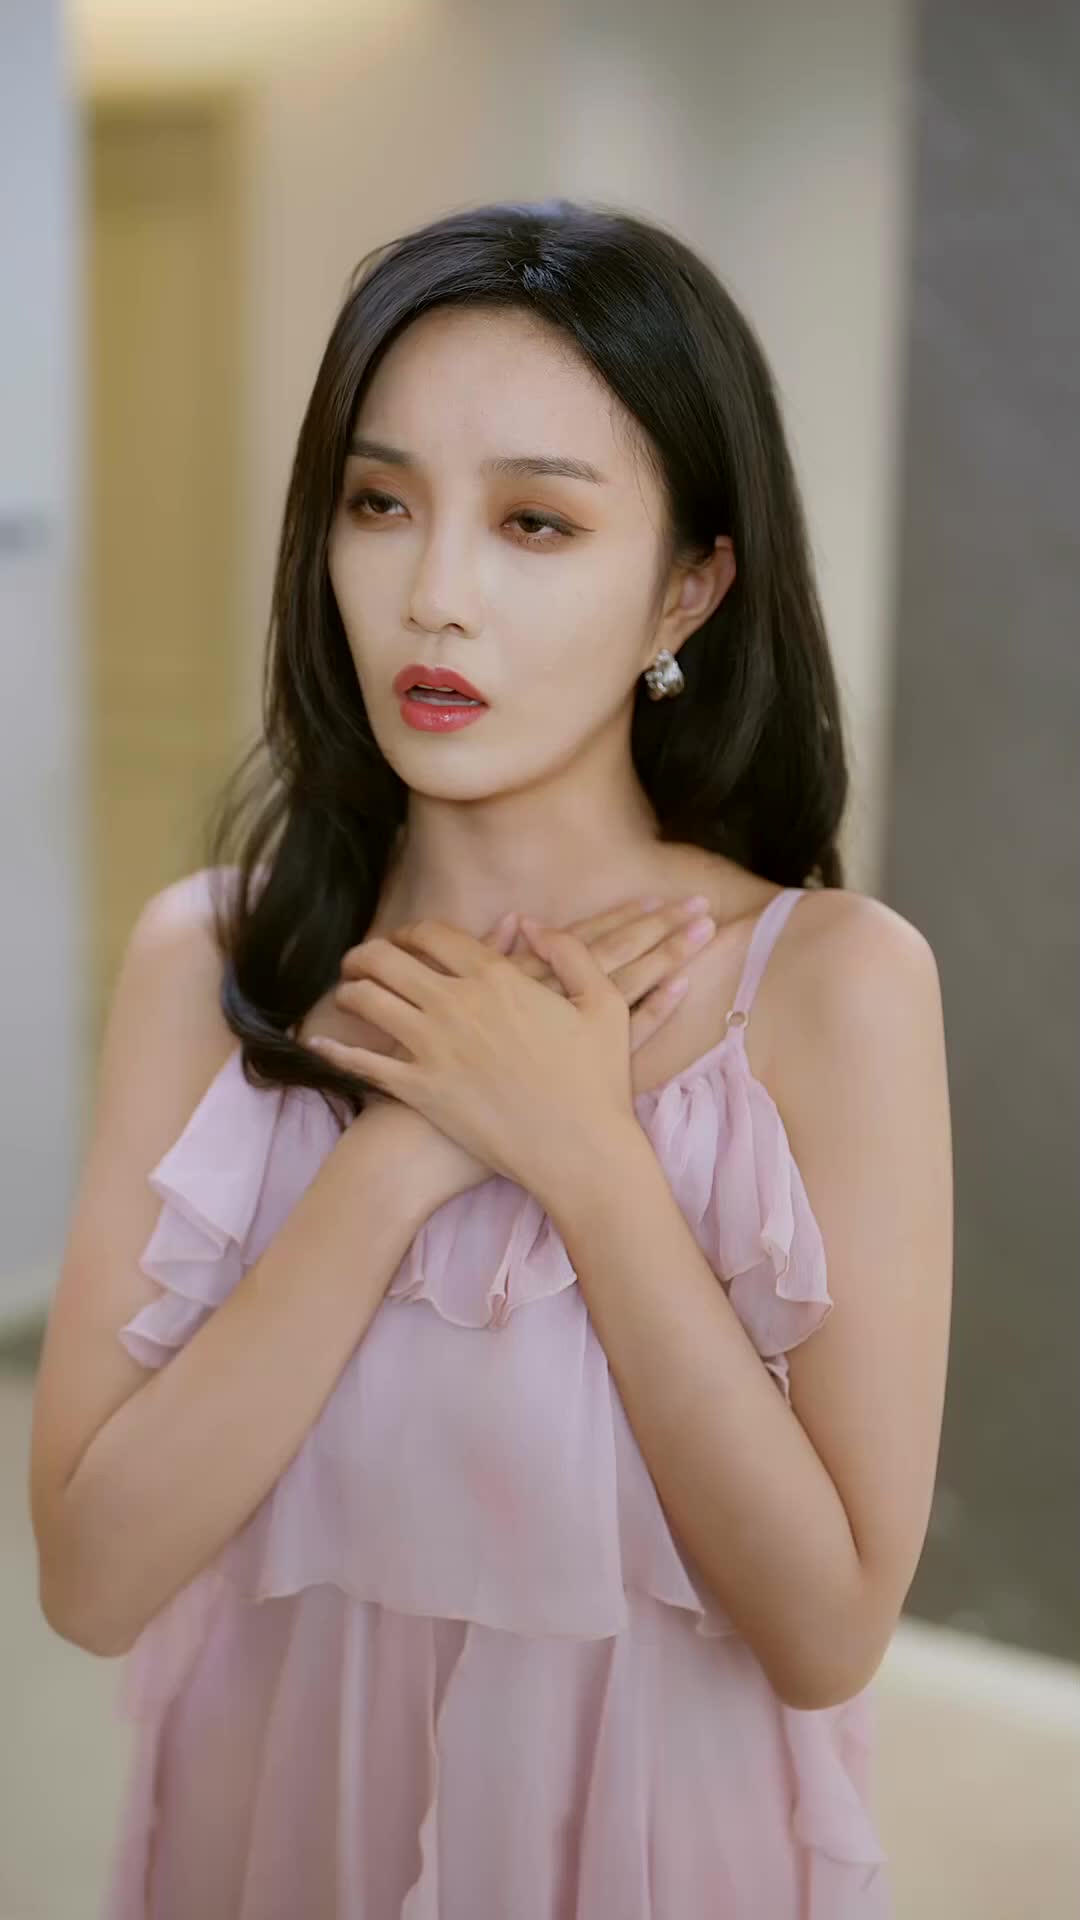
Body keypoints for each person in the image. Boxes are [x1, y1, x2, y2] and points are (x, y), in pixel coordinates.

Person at [30, 197, 952, 1918]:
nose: (434, 597)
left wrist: (584, 1156)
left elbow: (827, 1629)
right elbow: (89, 1581)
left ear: (689, 585)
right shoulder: (206, 962)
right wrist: (403, 1155)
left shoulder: (833, 987)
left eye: (536, 522)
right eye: (380, 504)